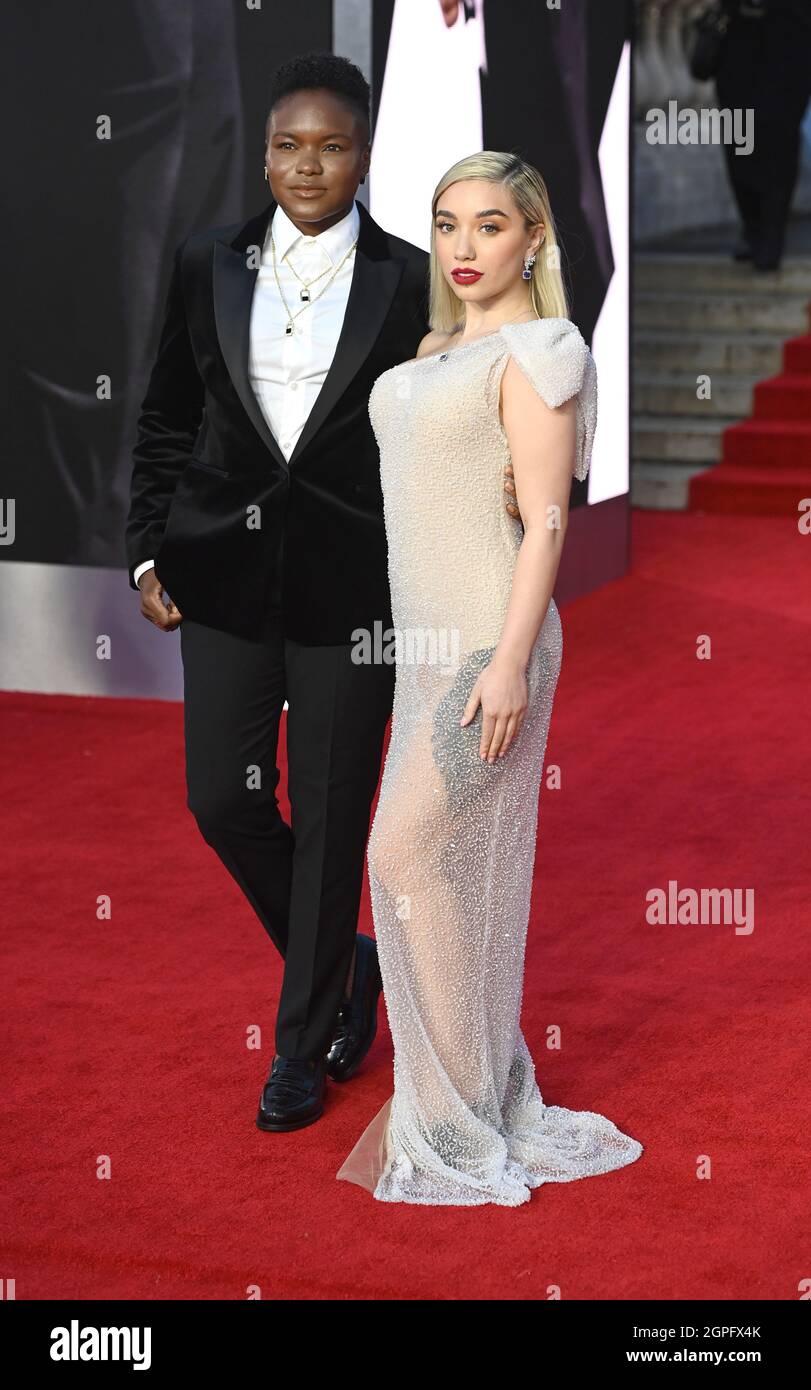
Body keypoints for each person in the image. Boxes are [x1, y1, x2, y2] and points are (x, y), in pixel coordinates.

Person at [125, 53, 431, 1132]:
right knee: (223, 797)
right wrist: (147, 550)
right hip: (223, 572)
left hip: (355, 590)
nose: (308, 164)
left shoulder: (408, 278)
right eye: (289, 145)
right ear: (265, 154)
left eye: (331, 145)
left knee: (333, 815)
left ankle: (300, 1047)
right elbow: (165, 415)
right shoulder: (207, 260)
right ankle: (347, 960)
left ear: (362, 155)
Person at [336, 151, 643, 1206]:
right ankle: (472, 1086)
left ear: (534, 239)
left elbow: (546, 522)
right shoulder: (430, 351)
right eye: (448, 224)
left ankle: (460, 1105)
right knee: (438, 865)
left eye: (490, 226)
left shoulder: (541, 351)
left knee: (401, 846)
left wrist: (510, 660)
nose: (464, 247)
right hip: (424, 651)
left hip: (486, 646)